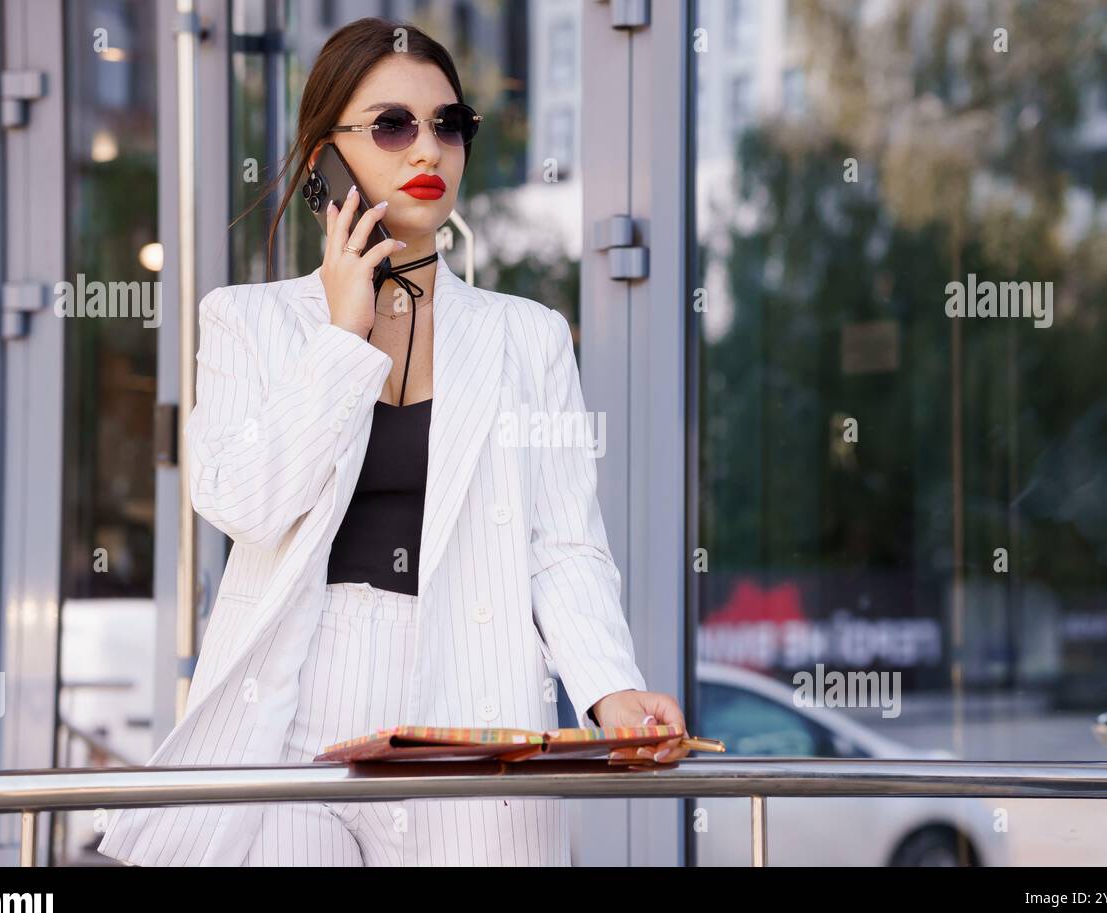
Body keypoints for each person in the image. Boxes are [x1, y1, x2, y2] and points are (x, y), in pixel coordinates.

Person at [97, 15, 687, 868]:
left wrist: (610, 688)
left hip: (477, 705)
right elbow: (242, 505)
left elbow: (561, 546)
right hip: (300, 709)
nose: (429, 151)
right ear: (321, 161)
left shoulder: (531, 337)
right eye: (391, 125)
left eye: (449, 125)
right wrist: (343, 336)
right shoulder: (248, 321)